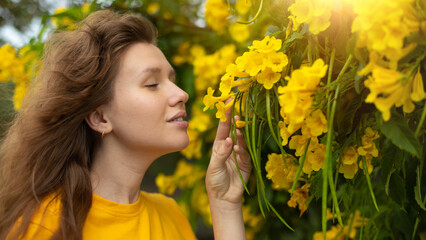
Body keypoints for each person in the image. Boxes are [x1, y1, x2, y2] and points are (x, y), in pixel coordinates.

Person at [0, 10, 252, 240]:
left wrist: (224, 204)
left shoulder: (171, 214)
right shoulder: (45, 225)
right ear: (100, 118)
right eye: (152, 84)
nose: (181, 94)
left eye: (172, 80)